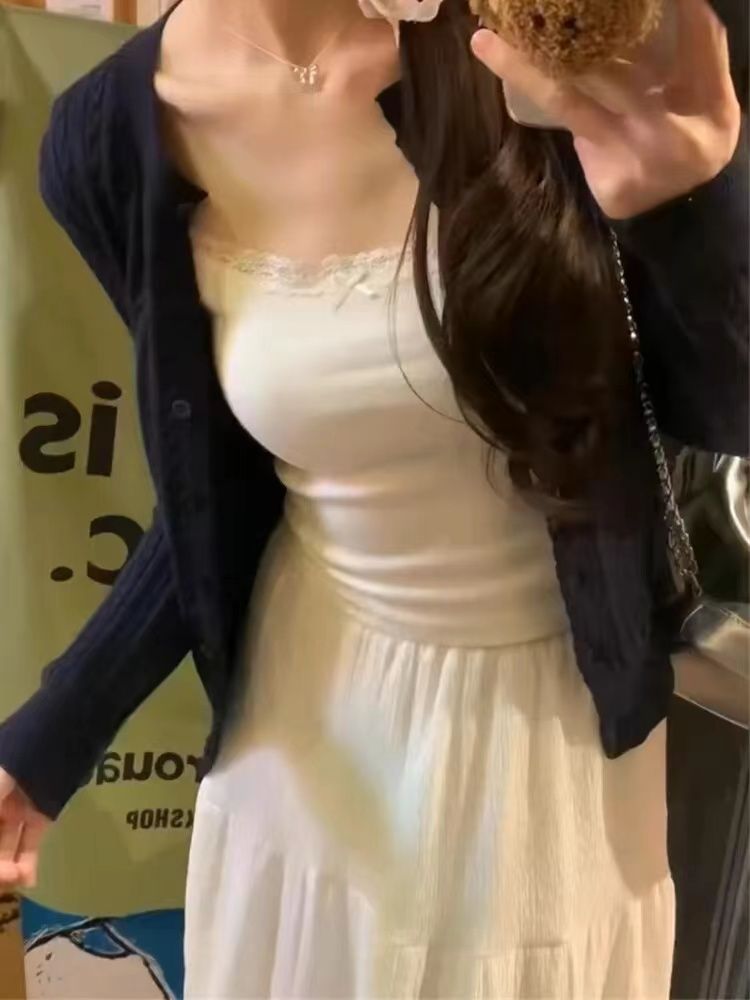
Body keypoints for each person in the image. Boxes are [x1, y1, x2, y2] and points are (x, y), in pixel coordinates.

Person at [0, 0, 746, 995]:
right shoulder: (109, 143)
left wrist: (692, 209)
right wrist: (51, 737)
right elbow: (216, 503)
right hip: (309, 734)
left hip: (550, 748)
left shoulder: (523, 41)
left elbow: (727, 413)